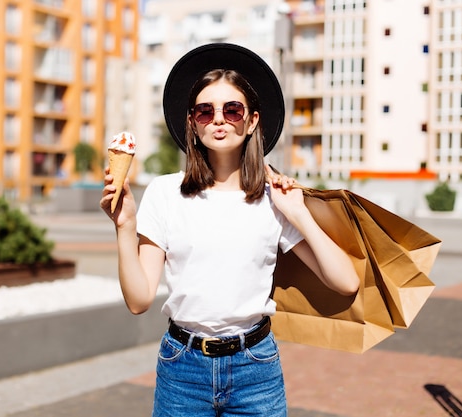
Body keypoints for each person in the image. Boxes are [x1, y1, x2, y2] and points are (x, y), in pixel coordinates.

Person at [100, 43, 359, 417]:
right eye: (205, 111)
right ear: (192, 122)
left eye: (231, 109)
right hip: (182, 368)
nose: (219, 119)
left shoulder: (275, 199)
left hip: (256, 367)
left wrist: (299, 214)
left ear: (251, 120)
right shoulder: (164, 193)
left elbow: (346, 282)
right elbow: (139, 300)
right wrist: (124, 227)